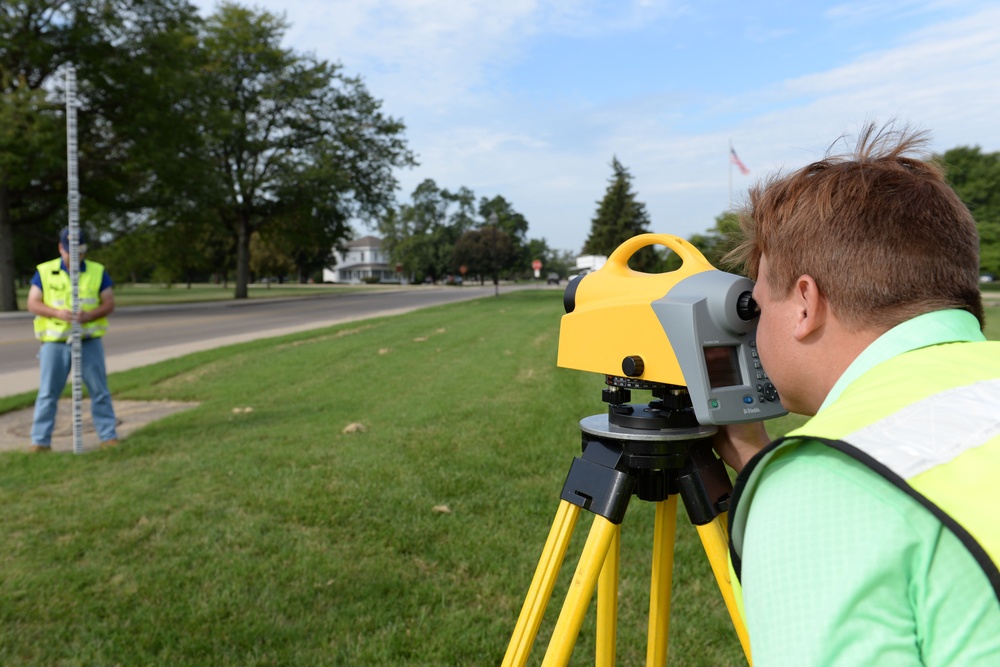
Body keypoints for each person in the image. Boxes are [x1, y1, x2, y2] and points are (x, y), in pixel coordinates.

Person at [714, 123, 1000, 665]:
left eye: (757, 304)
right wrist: (759, 459)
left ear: (804, 303)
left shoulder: (825, 486)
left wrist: (794, 486)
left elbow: (867, 498)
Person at [27, 227, 119, 452]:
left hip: (88, 341)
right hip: (55, 343)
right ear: (60, 248)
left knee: (99, 390)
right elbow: (33, 303)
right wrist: (57, 313)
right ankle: (40, 441)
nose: (75, 255)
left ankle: (108, 436)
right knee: (48, 392)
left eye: (79, 250)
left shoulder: (97, 271)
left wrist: (89, 315)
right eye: (70, 251)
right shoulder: (45, 271)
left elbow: (108, 302)